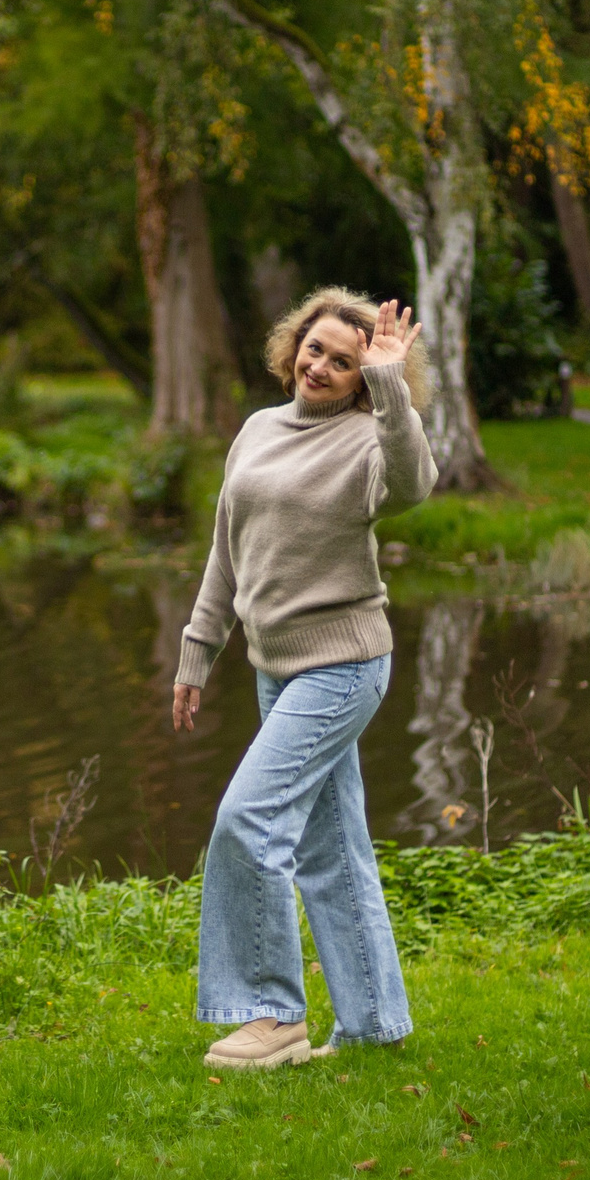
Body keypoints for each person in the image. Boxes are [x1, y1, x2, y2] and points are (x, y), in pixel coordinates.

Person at [171, 287, 437, 1070]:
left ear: (363, 379)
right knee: (332, 850)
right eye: (315, 349)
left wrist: (391, 385)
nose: (320, 367)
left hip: (344, 665)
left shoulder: (367, 443)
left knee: (246, 821)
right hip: (274, 669)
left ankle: (274, 1013)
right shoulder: (256, 430)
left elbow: (415, 481)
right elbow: (228, 548)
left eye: (344, 362)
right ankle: (375, 1021)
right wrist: (198, 649)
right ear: (295, 344)